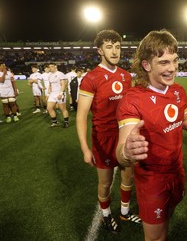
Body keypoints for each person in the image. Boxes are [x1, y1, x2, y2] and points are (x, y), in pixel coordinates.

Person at [115, 29, 187, 241]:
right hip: (152, 181)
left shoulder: (178, 91)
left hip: (177, 173)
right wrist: (126, 151)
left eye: (175, 60)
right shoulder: (132, 100)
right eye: (163, 62)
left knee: (166, 223)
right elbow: (121, 151)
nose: (172, 68)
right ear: (146, 65)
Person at [76, 29, 141, 234]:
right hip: (103, 139)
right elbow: (81, 116)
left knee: (127, 177)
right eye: (109, 47)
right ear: (100, 50)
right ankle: (105, 215)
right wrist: (86, 149)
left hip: (125, 136)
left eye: (117, 47)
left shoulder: (125, 76)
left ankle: (124, 211)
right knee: (105, 184)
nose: (114, 51)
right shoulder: (91, 78)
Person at [46, 62, 69, 127]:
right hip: (52, 94)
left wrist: (61, 93)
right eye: (49, 67)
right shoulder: (50, 75)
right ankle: (55, 122)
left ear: (55, 66)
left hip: (60, 93)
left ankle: (66, 122)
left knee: (63, 109)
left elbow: (63, 84)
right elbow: (50, 86)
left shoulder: (60, 74)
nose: (50, 68)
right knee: (49, 108)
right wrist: (48, 94)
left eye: (52, 66)